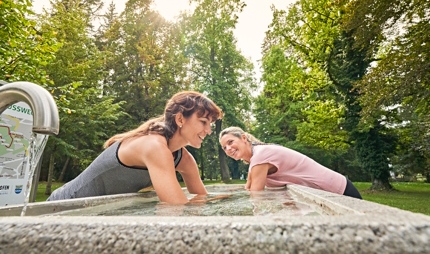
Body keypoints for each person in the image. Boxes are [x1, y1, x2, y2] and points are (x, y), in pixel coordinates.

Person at [48, 91, 223, 204]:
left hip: (96, 214)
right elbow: (177, 207)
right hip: (63, 207)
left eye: (210, 124)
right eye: (203, 122)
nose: (208, 131)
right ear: (180, 119)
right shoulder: (154, 146)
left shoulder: (183, 159)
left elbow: (202, 198)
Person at [219, 126, 362, 199]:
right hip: (330, 193)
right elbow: (248, 189)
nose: (228, 149)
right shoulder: (255, 160)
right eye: (224, 147)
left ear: (244, 138)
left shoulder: (260, 157)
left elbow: (256, 197)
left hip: (339, 191)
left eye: (231, 142)